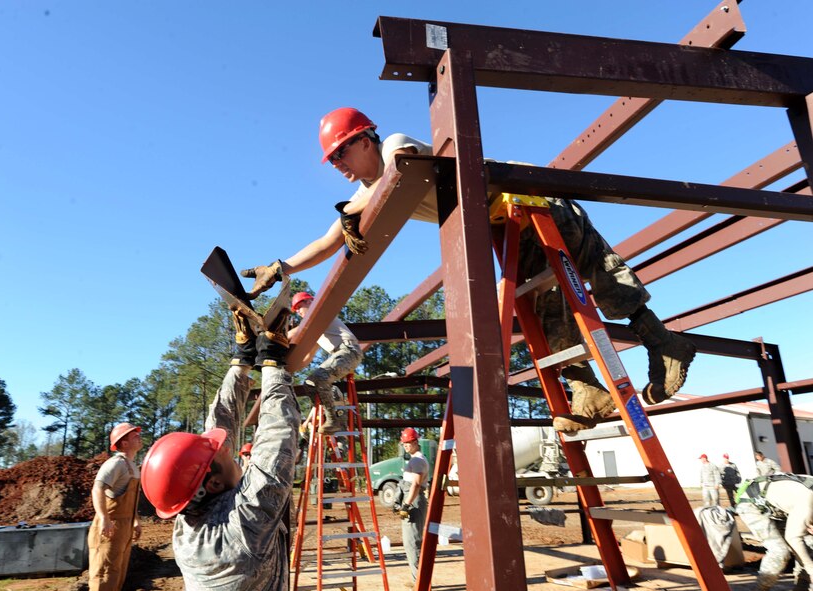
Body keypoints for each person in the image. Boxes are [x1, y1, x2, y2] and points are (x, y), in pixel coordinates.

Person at [240, 107, 696, 435]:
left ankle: (664, 343)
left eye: (341, 153)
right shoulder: (363, 194)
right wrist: (281, 267)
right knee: (546, 311)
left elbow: (399, 166)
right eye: (333, 160)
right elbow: (328, 242)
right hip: (508, 220)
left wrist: (350, 210)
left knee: (600, 271)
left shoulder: (395, 145)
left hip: (534, 198)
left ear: (366, 140)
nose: (337, 165)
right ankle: (587, 391)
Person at [140, 307, 300, 590]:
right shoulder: (242, 529)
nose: (226, 447)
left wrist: (241, 363)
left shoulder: (187, 526)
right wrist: (272, 365)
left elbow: (217, 431)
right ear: (212, 484)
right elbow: (276, 444)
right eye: (219, 452)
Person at [288, 291, 362, 433]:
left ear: (309, 302)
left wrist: (273, 338)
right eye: (295, 310)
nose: (298, 312)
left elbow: (297, 332)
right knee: (309, 383)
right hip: (341, 354)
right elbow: (308, 357)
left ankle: (334, 420)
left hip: (349, 351)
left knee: (320, 378)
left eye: (298, 307)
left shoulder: (319, 313)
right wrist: (291, 369)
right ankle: (325, 413)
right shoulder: (317, 329)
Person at [88, 422, 143, 591]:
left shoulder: (132, 466)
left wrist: (135, 521)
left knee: (117, 573)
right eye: (135, 436)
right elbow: (97, 488)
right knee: (104, 572)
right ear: (124, 443)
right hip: (110, 526)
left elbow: (130, 499)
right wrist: (104, 518)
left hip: (124, 527)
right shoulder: (115, 464)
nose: (139, 438)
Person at [735, 473, 813, 590]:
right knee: (780, 551)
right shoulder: (808, 502)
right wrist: (810, 568)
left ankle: (802, 587)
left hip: (780, 509)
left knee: (809, 546)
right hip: (753, 504)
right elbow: (793, 538)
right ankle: (761, 589)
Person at [394, 427, 429, 587]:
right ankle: (418, 579)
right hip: (413, 501)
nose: (406, 446)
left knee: (412, 543)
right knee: (412, 542)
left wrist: (406, 505)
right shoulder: (416, 459)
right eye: (404, 443)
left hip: (414, 503)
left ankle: (419, 583)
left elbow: (415, 485)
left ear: (416, 442)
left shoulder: (417, 460)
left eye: (409, 443)